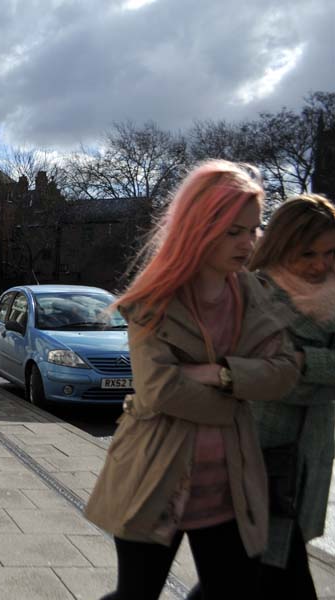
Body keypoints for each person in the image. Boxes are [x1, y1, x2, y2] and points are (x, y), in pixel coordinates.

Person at [84, 160, 301, 600]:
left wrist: (221, 374)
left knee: (233, 590)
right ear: (199, 227)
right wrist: (241, 390)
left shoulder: (255, 294)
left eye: (254, 229)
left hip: (231, 485)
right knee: (136, 594)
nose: (248, 243)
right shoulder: (153, 298)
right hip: (154, 477)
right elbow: (159, 390)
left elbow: (286, 371)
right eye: (233, 231)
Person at [241, 194, 335, 599]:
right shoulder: (257, 295)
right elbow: (277, 378)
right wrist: (307, 366)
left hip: (305, 467)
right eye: (308, 253)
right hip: (264, 466)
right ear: (281, 247)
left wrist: (302, 359)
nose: (321, 264)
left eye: (330, 252)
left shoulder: (331, 297)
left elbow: (292, 368)